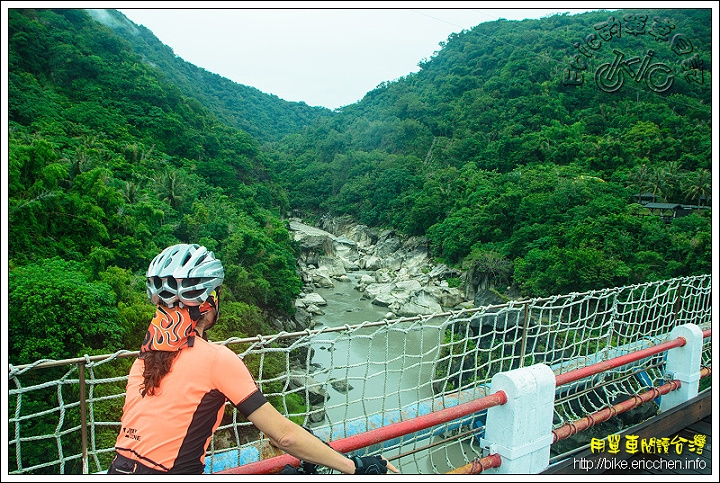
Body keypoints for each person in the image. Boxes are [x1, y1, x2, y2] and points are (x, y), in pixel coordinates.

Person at [107, 243, 398, 475]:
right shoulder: (216, 359)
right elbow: (284, 436)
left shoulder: (143, 359)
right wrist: (356, 466)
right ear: (210, 302)